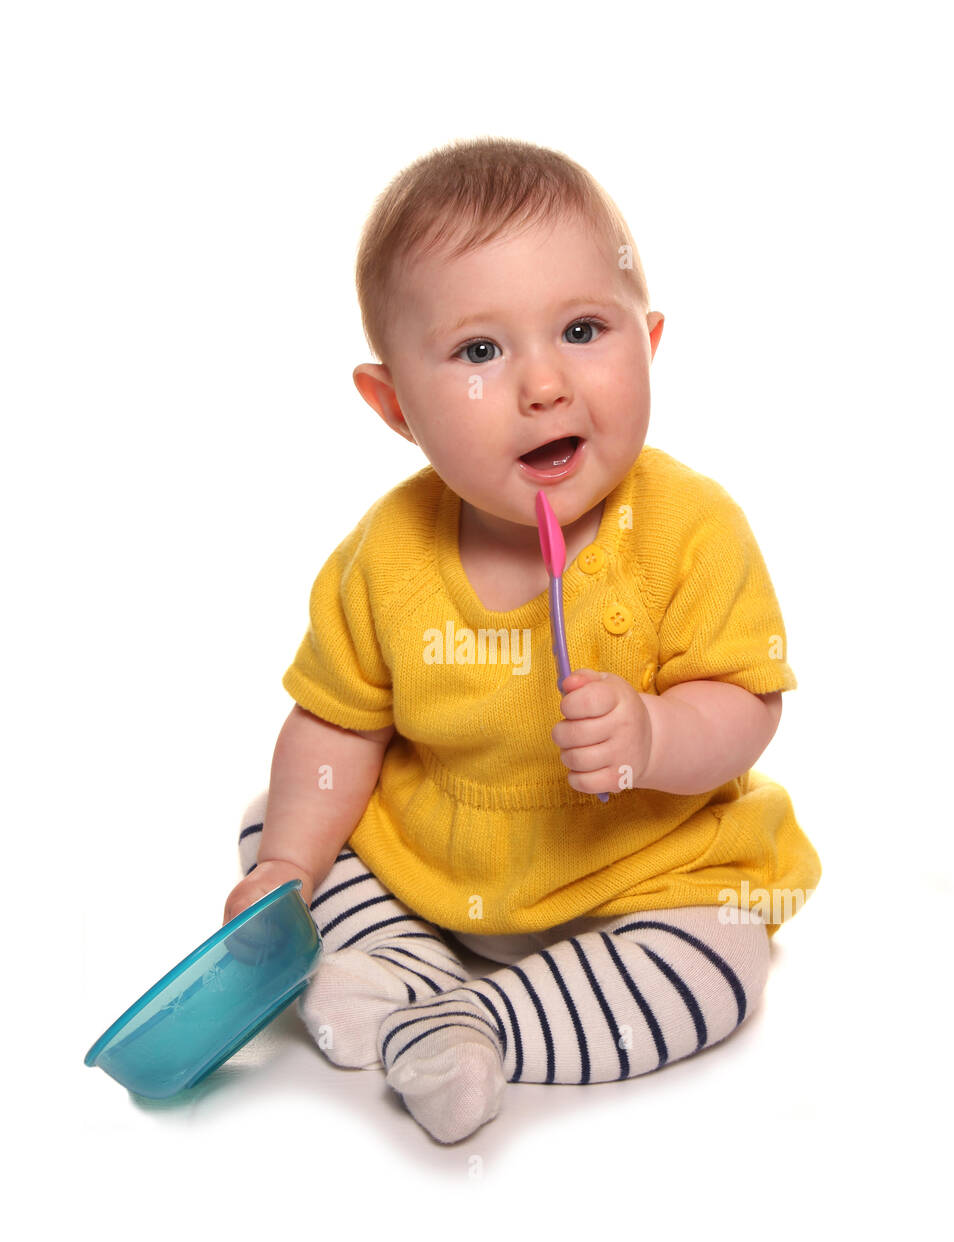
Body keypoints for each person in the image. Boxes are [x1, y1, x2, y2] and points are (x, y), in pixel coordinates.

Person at [222, 136, 822, 1145]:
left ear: (651, 340)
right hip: (435, 865)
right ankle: (402, 959)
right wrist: (286, 860)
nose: (542, 385)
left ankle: (476, 1023)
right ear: (393, 405)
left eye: (584, 329)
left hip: (643, 876)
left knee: (724, 960)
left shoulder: (691, 526)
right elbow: (335, 726)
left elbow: (747, 702)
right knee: (273, 819)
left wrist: (656, 737)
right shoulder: (383, 556)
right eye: (479, 351)